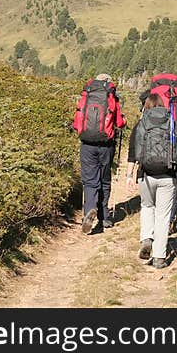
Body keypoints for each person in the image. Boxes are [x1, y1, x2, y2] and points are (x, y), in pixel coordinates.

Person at [125, 92, 177, 268]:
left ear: (146, 106)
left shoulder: (141, 124)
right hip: (168, 175)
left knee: (147, 207)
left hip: (146, 175)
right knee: (163, 216)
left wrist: (129, 176)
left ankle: (147, 238)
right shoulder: (172, 124)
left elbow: (133, 152)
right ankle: (159, 257)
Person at [72, 73, 126, 234]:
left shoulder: (86, 95)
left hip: (87, 144)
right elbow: (119, 123)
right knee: (104, 180)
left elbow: (77, 123)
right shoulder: (111, 98)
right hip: (106, 145)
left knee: (89, 181)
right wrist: (124, 120)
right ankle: (104, 217)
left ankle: (89, 210)